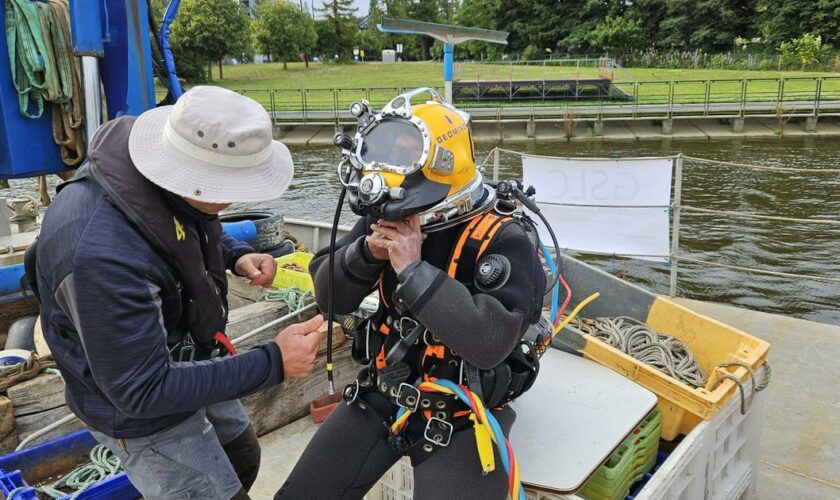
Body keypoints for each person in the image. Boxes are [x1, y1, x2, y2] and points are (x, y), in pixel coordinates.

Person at [30, 86, 323, 500]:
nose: (238, 197)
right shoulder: (101, 255)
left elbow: (184, 228)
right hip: (139, 405)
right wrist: (274, 360)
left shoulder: (160, 179)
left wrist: (235, 255)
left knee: (242, 454)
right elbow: (141, 390)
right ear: (201, 183)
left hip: (187, 353)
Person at [275, 89, 546, 499]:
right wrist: (366, 252)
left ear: (442, 162)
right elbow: (330, 297)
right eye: (386, 151)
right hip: (382, 393)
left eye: (405, 153)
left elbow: (489, 342)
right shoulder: (384, 212)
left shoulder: (504, 238)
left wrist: (413, 269)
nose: (390, 167)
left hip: (458, 413)